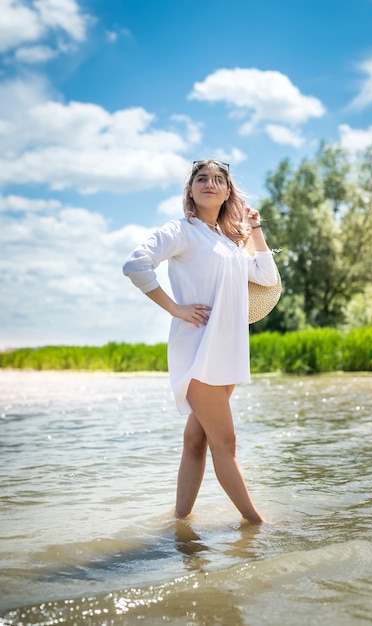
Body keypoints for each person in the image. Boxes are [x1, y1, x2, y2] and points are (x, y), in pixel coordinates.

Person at [123, 159, 278, 524]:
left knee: (197, 442)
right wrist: (175, 309)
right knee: (226, 444)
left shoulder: (227, 241)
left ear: (227, 193)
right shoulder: (181, 231)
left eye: (219, 180)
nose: (210, 183)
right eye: (201, 178)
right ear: (191, 190)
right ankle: (257, 525)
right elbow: (135, 264)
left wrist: (254, 229)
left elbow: (267, 277)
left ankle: (179, 524)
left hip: (227, 353)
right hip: (197, 352)